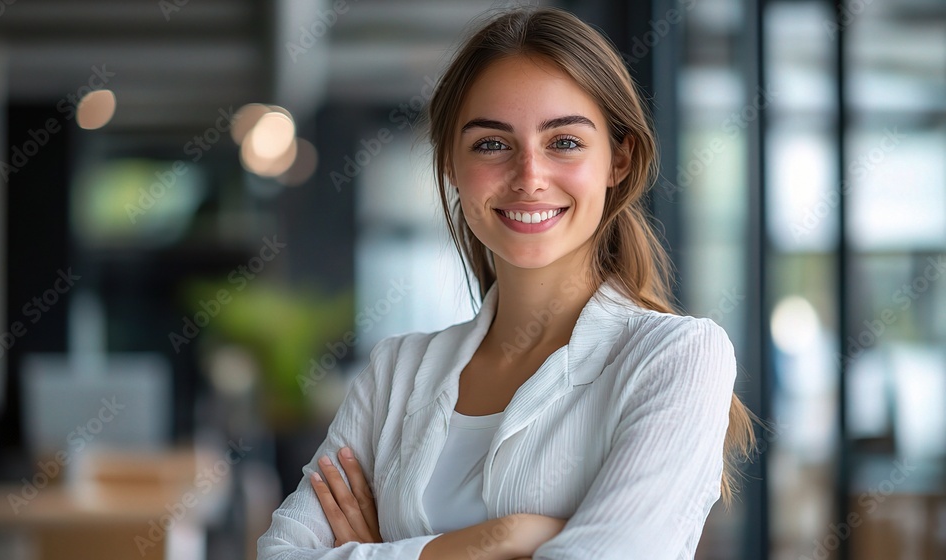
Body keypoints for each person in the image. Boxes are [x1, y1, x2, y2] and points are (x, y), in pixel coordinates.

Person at [258, 6, 755, 560]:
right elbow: (282, 555)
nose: (530, 177)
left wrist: (390, 551)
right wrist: (498, 538)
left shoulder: (676, 357)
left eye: (564, 142)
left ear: (619, 158)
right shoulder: (396, 373)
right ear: (450, 162)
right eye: (492, 144)